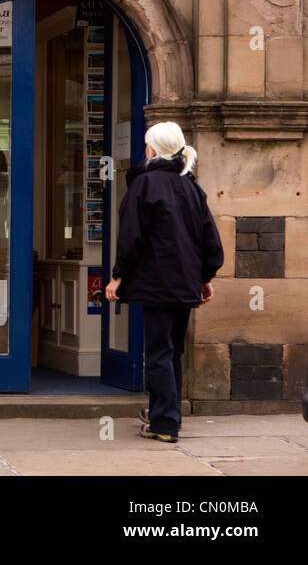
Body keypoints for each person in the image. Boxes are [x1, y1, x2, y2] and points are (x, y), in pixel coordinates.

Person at [105, 122, 223, 443]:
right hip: (185, 284)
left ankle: (165, 424)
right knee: (172, 354)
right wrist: (204, 277)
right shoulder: (192, 188)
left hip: (156, 283)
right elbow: (210, 242)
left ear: (151, 150)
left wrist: (118, 275)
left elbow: (130, 238)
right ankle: (164, 415)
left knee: (159, 352)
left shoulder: (144, 186)